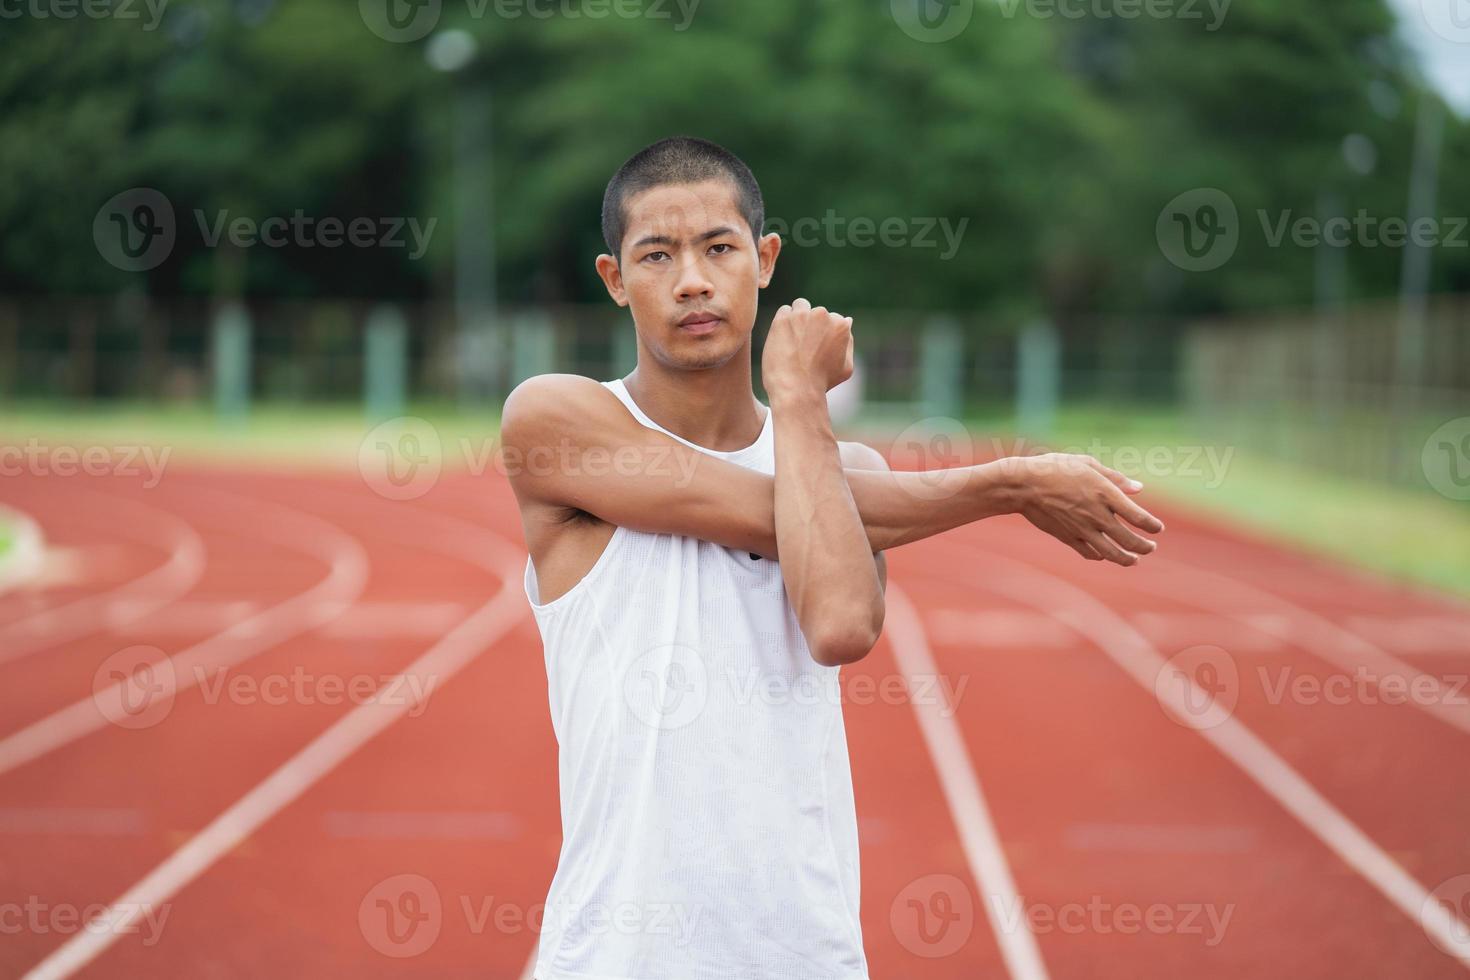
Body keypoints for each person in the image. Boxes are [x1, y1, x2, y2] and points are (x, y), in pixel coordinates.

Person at [500, 136, 1164, 980]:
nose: (692, 280)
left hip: (802, 952)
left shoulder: (845, 474)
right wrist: (1011, 484)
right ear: (614, 279)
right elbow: (755, 507)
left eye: (719, 247)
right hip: (615, 955)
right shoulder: (554, 421)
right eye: (656, 255)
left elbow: (843, 623)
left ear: (766, 259)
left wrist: (802, 406)